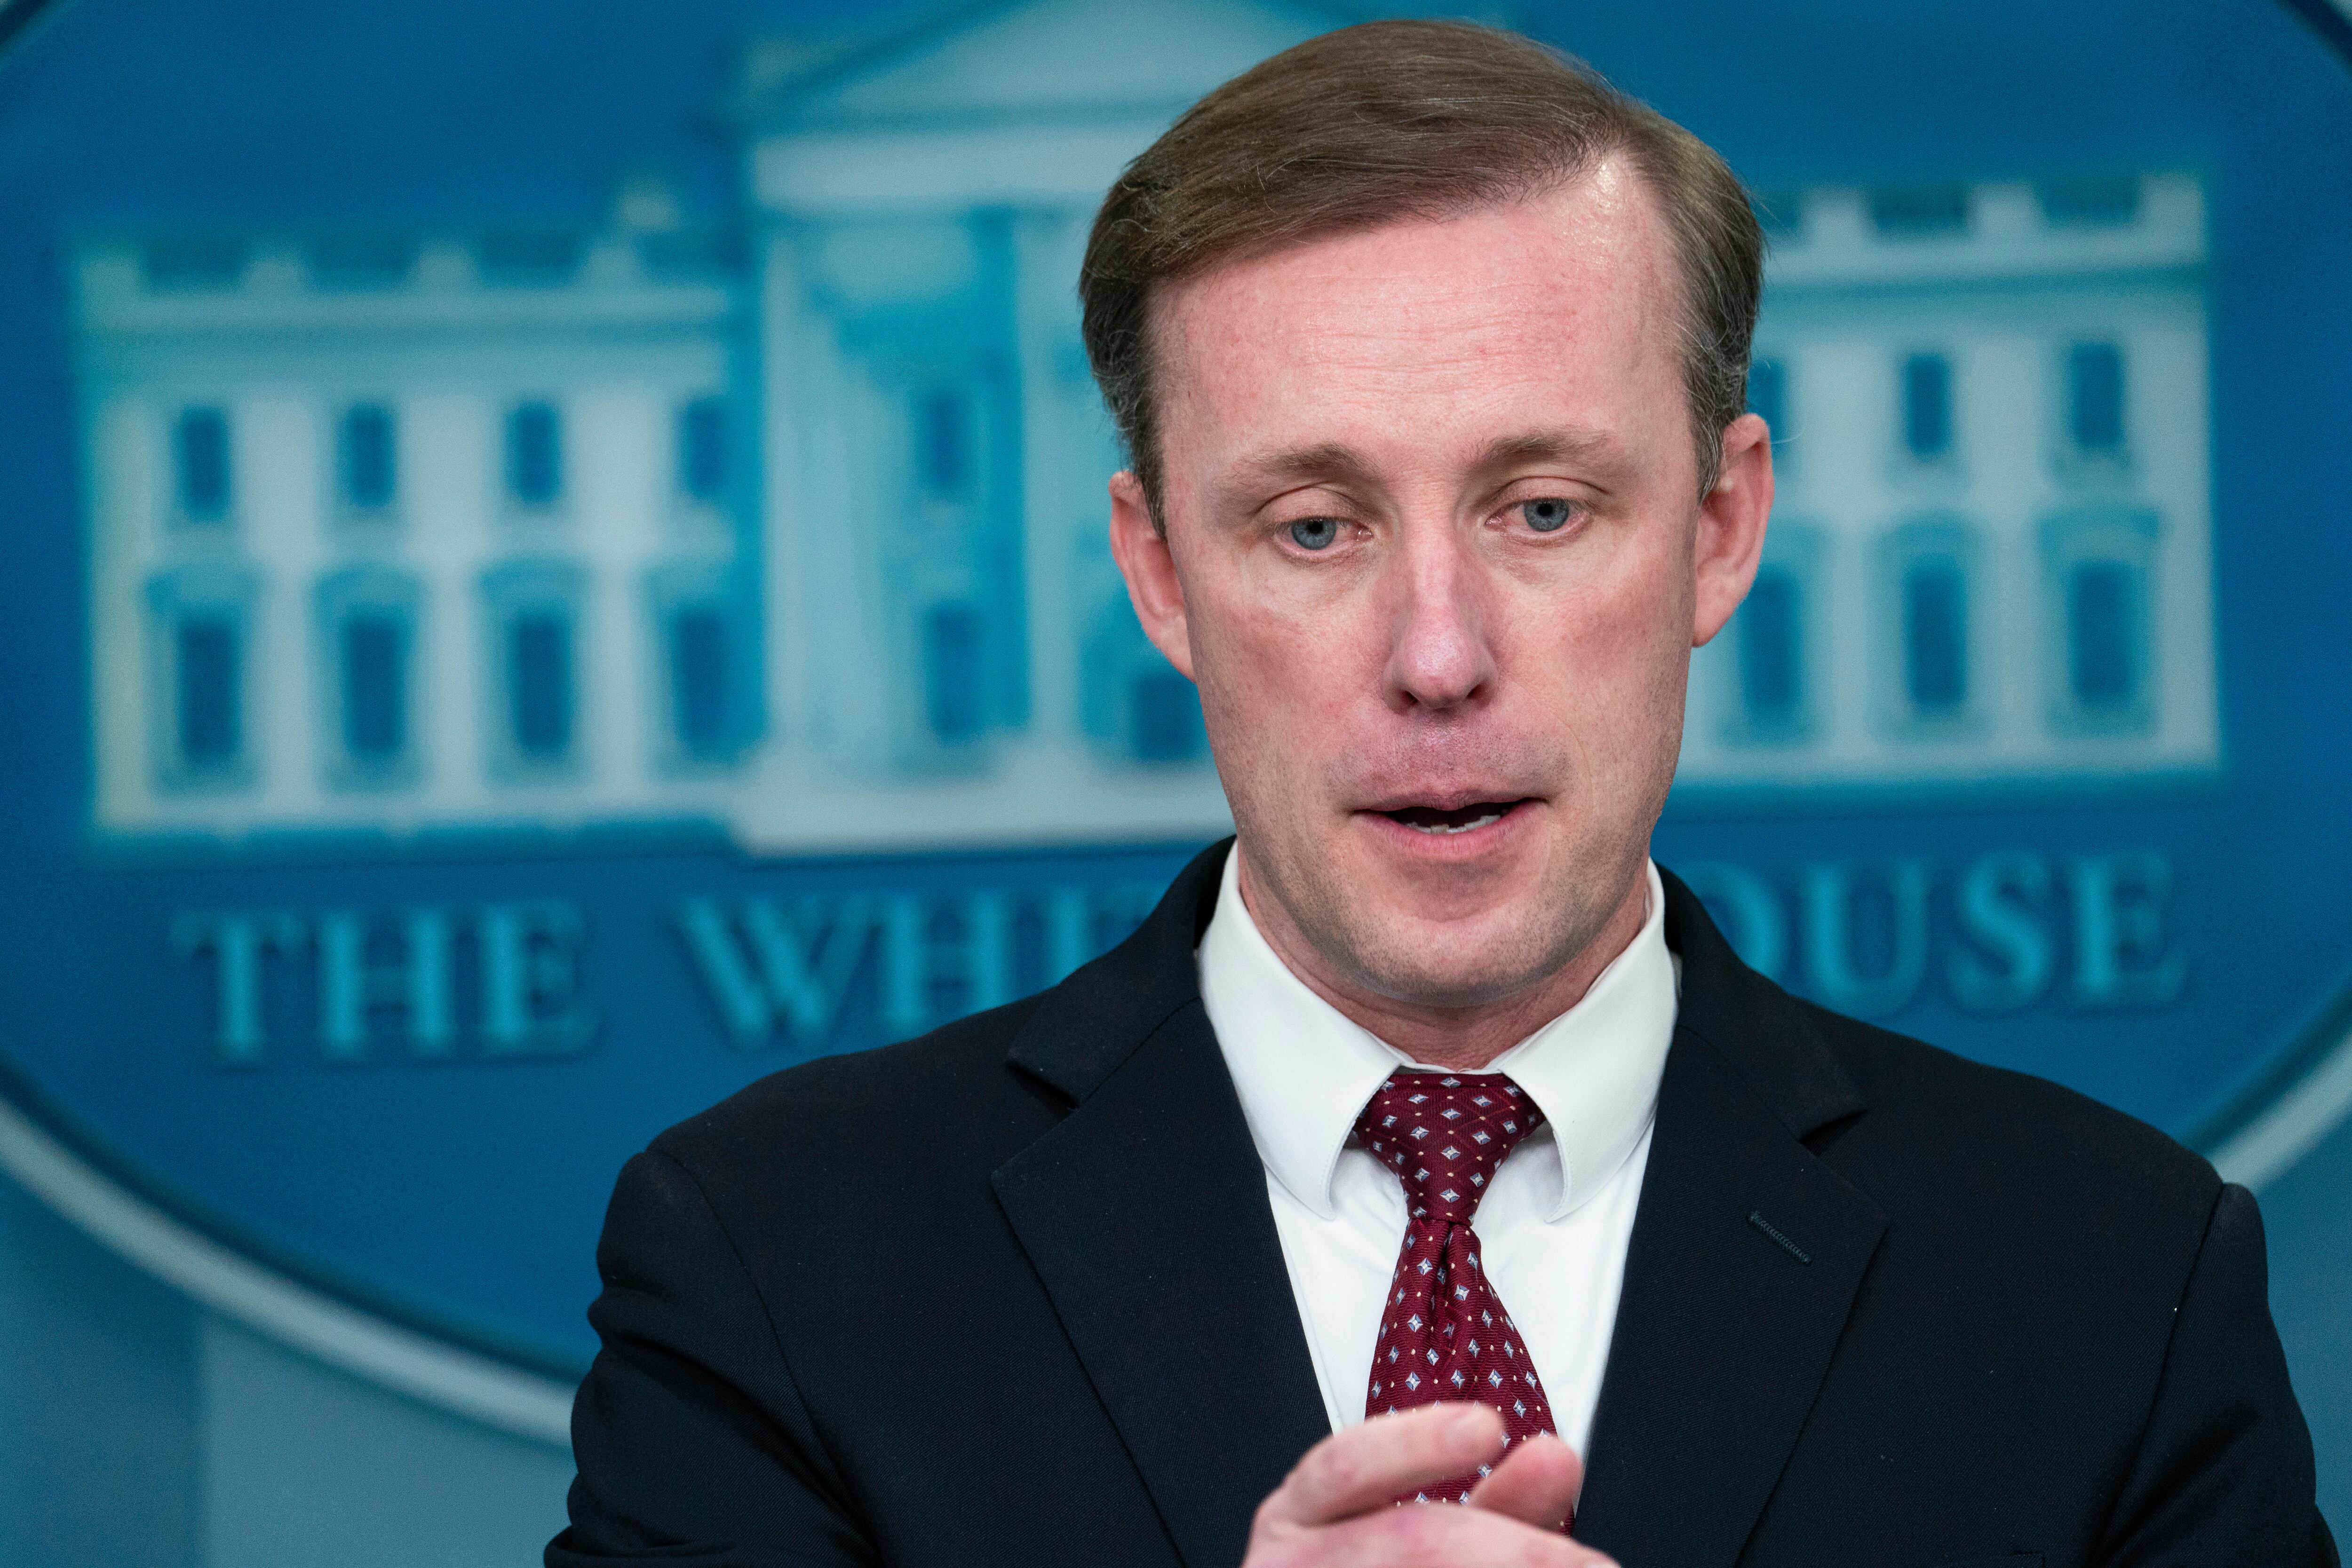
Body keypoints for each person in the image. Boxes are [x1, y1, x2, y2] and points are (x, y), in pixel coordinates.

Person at [549, 21, 2336, 1568]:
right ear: (1159, 571)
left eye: (1541, 508)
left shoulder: (2114, 1278)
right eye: (1315, 527)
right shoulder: (775, 1265)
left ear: (1721, 531)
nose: (1437, 652)